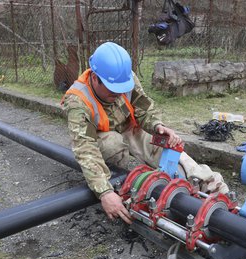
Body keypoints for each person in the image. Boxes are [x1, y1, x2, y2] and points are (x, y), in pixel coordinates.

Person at [61, 41, 228, 224]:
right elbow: (85, 149)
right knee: (113, 143)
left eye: (120, 90)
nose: (118, 94)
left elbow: (144, 109)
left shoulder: (125, 78)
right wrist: (104, 192)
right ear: (94, 77)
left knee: (167, 148)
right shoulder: (77, 101)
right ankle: (124, 186)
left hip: (129, 128)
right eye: (112, 90)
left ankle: (215, 188)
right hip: (103, 139)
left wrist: (157, 126)